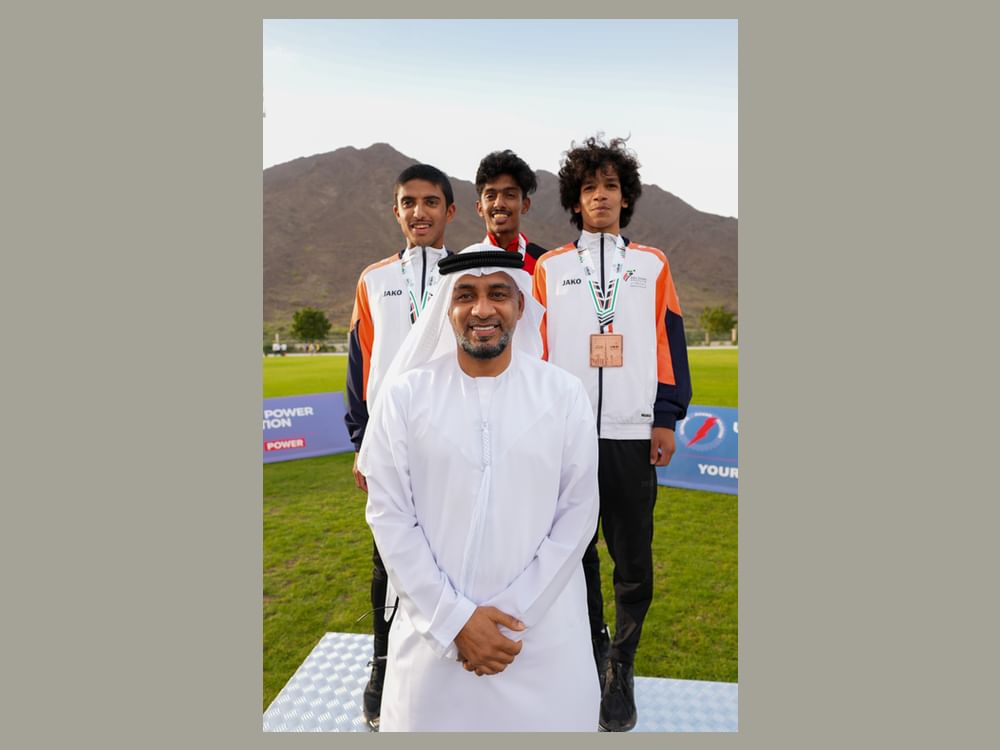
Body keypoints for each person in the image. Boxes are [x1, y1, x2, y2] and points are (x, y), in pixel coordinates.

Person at [358, 245, 601, 731]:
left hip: (541, 640)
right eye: (466, 295)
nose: (482, 310)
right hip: (434, 645)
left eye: (498, 294)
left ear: (521, 305)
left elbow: (577, 515)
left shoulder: (564, 394)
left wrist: (506, 619)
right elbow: (390, 518)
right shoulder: (405, 397)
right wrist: (455, 622)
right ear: (446, 308)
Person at [532, 136, 692, 732]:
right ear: (575, 201)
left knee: (633, 560)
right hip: (567, 437)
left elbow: (669, 341)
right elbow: (536, 356)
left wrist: (665, 416)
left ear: (626, 198)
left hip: (631, 432)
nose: (600, 196)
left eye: (611, 186)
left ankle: (622, 663)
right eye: (589, 187)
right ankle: (594, 649)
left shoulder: (651, 264)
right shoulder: (550, 269)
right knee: (574, 555)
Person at [343, 163, 456, 731]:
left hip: (451, 442)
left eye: (430, 201)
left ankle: (444, 661)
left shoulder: (465, 275)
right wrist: (361, 442)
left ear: (450, 211)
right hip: (389, 445)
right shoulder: (373, 279)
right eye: (408, 202)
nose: (419, 212)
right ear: (396, 211)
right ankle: (382, 665)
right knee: (387, 557)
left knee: (449, 552)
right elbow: (359, 366)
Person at [474, 150, 547, 274]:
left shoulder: (545, 264)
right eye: (490, 196)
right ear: (480, 207)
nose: (499, 204)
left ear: (525, 205)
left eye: (510, 195)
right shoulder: (465, 266)